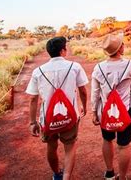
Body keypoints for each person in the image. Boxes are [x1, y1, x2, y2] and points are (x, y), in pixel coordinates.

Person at [26, 36, 88, 180]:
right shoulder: (75, 67)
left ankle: (56, 175)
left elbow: (33, 98)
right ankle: (66, 177)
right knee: (70, 146)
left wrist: (32, 122)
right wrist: (84, 107)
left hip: (47, 118)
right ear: (62, 51)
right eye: (66, 47)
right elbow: (83, 91)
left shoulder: (38, 71)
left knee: (51, 146)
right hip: (70, 116)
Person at [91, 33, 131, 180]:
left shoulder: (98, 68)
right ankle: (122, 177)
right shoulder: (130, 65)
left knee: (107, 139)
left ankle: (109, 173)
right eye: (122, 44)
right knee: (124, 145)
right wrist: (130, 99)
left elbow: (95, 92)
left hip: (106, 110)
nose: (124, 45)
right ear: (120, 49)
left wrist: (94, 112)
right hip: (127, 109)